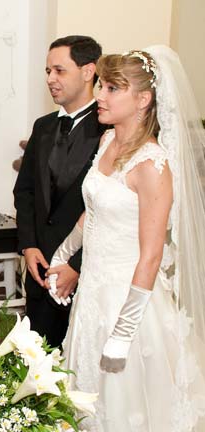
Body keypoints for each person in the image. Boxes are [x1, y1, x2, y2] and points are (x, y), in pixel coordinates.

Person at [47, 47, 205, 430]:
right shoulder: (106, 143)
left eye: (112, 88)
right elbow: (93, 212)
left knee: (126, 408)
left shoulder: (152, 166)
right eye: (101, 84)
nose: (99, 95)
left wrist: (122, 333)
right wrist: (62, 255)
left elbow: (151, 256)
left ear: (143, 100)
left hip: (129, 303)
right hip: (92, 296)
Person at [13, 35, 107, 347]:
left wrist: (75, 266)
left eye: (59, 70)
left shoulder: (110, 131)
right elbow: (24, 191)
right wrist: (28, 246)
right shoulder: (43, 126)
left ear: (87, 71)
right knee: (36, 360)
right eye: (47, 71)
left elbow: (109, 211)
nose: (51, 79)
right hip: (39, 269)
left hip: (85, 273)